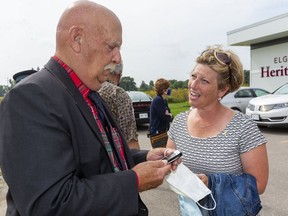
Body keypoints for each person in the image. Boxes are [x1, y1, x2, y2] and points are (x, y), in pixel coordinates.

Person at [0, 1, 180, 215]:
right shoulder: (31, 97)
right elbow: (50, 204)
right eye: (112, 46)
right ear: (77, 39)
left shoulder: (89, 92)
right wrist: (135, 180)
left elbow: (99, 160)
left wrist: (144, 158)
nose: (118, 58)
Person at [166, 45, 269, 215]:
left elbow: (259, 184)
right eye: (193, 76)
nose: (193, 85)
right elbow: (171, 165)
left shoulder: (243, 128)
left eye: (204, 81)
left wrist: (212, 182)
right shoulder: (179, 123)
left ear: (222, 89)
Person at [98, 62, 140, 150]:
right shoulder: (118, 93)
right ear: (119, 75)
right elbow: (130, 140)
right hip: (115, 157)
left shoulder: (90, 90)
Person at [149, 78, 172, 148]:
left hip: (163, 131)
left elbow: (169, 114)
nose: (170, 90)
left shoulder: (163, 100)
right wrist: (169, 116)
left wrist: (169, 115)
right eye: (168, 88)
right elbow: (165, 117)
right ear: (164, 90)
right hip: (158, 133)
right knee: (161, 154)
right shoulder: (158, 100)